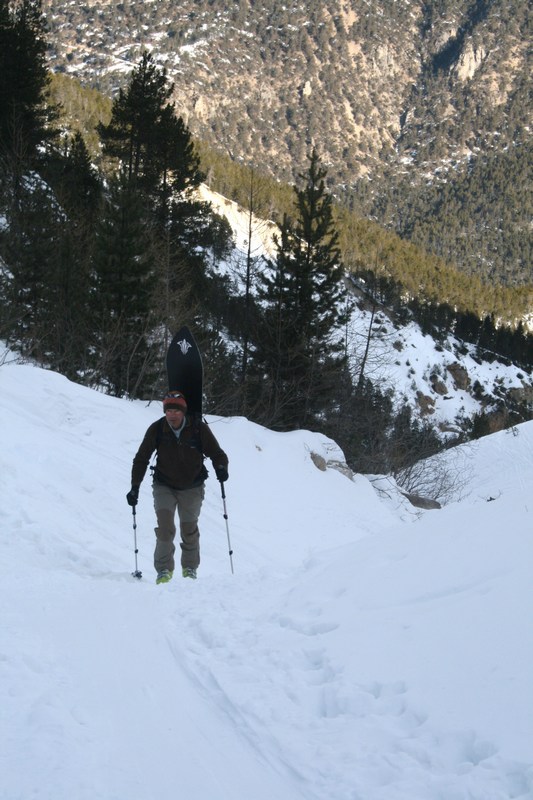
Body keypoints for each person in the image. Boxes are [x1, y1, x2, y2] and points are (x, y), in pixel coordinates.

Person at [126, 391, 229, 584]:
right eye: (168, 410)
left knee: (188, 529)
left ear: (183, 412)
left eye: (176, 411)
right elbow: (141, 458)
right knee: (165, 528)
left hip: (192, 486)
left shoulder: (198, 429)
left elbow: (217, 453)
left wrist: (221, 468)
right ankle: (164, 570)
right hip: (164, 484)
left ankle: (189, 568)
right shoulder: (157, 429)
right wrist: (135, 487)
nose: (172, 415)